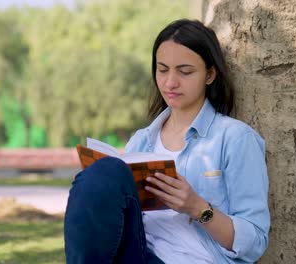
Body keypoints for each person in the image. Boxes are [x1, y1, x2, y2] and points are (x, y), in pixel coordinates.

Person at [64, 18, 270, 264]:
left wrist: (198, 207)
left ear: (210, 74)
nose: (170, 82)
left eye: (185, 72)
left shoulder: (235, 138)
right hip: (139, 255)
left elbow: (255, 242)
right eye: (162, 70)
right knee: (103, 173)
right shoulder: (141, 141)